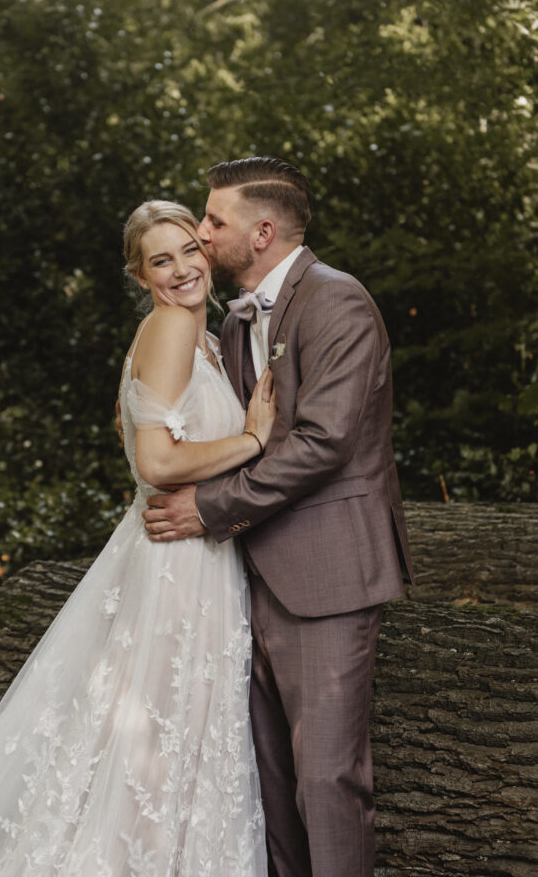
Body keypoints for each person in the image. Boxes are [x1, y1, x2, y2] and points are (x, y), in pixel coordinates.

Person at [0, 200, 275, 877]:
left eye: (188, 252)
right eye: (160, 261)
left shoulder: (203, 337)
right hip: (179, 563)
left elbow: (143, 434)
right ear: (139, 276)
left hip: (196, 555)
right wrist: (252, 440)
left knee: (163, 734)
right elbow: (156, 462)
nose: (180, 270)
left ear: (206, 252)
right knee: (164, 728)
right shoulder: (172, 327)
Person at [143, 157, 415, 877]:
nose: (202, 235)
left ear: (262, 232)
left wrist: (207, 509)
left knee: (326, 780)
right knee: (266, 787)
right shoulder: (235, 323)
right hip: (242, 578)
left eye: (215, 221)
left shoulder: (337, 302)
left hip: (327, 575)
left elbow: (324, 443)